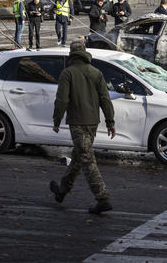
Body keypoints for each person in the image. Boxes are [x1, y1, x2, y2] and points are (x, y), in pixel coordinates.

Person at [49, 40, 115, 215]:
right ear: (85, 53)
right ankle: (62, 190)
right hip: (93, 122)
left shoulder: (68, 73)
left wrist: (57, 120)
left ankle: (103, 198)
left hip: (77, 122)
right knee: (79, 157)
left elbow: (62, 100)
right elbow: (105, 99)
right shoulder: (96, 72)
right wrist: (110, 121)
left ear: (71, 54)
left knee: (86, 159)